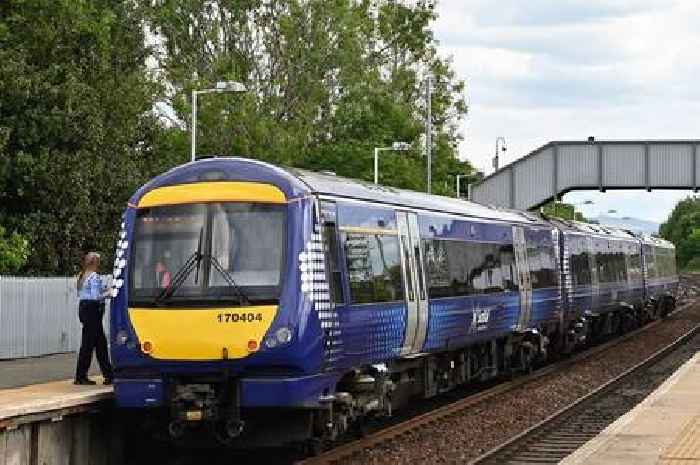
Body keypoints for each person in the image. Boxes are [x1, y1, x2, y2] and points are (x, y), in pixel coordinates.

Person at [75, 252, 114, 385]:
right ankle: (81, 376)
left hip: (85, 309)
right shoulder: (94, 277)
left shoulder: (82, 276)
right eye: (98, 262)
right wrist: (109, 293)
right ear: (94, 263)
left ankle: (108, 374)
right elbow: (95, 296)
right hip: (93, 311)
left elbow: (83, 293)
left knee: (99, 343)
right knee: (89, 344)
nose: (99, 265)